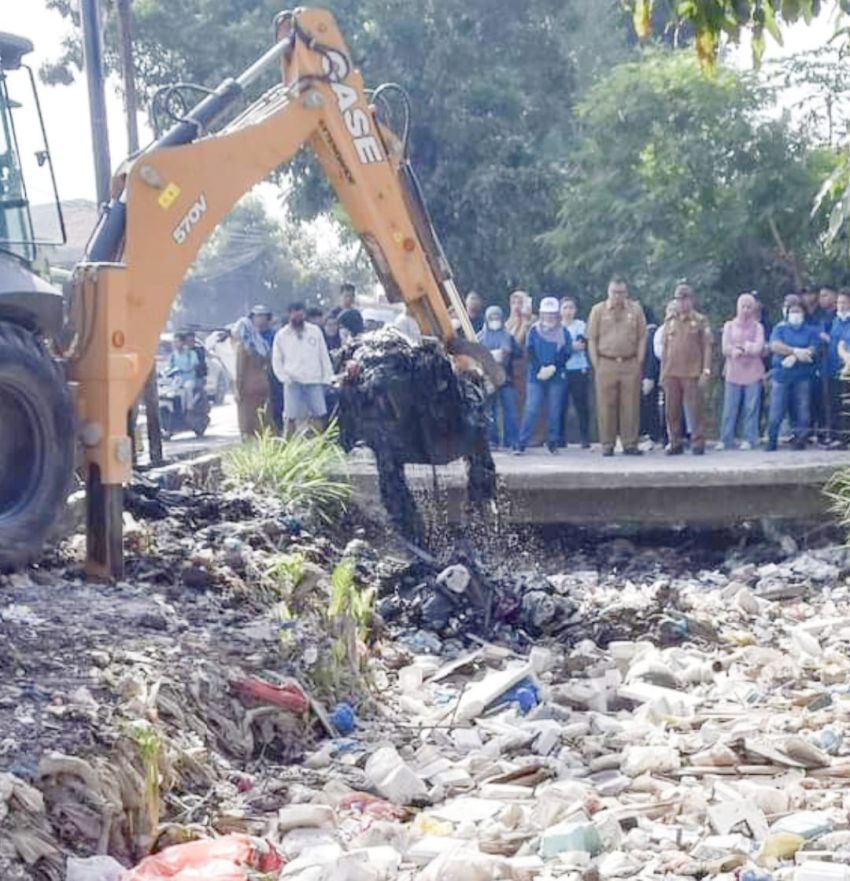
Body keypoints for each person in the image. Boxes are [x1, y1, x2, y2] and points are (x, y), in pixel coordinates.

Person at [586, 275, 647, 456]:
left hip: (630, 362)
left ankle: (630, 443)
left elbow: (642, 336)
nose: (618, 296)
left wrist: (639, 360)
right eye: (614, 292)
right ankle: (607, 444)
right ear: (608, 292)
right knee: (606, 406)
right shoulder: (598, 310)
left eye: (621, 292)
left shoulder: (635, 310)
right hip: (606, 362)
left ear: (626, 293)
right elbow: (592, 338)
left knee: (631, 405)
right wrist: (596, 363)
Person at [658, 283, 712, 456]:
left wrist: (706, 370)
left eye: (685, 299)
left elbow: (707, 347)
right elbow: (665, 348)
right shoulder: (670, 321)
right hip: (671, 372)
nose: (681, 303)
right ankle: (675, 441)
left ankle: (698, 441)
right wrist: (662, 372)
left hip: (692, 372)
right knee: (671, 410)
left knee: (695, 409)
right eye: (678, 299)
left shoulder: (700, 321)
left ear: (691, 300)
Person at [517, 297, 571, 454]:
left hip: (557, 375)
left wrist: (554, 366)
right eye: (546, 313)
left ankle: (553, 442)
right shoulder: (534, 330)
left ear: (557, 314)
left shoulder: (563, 332)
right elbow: (530, 350)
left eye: (552, 313)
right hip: (536, 375)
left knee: (554, 409)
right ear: (541, 314)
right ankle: (521, 442)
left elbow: (566, 352)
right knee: (532, 408)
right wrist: (540, 368)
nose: (549, 316)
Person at [272, 301, 335, 437]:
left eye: (300, 312)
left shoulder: (315, 331)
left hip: (314, 381)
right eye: (294, 312)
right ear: (289, 314)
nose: (298, 315)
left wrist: (327, 378)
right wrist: (284, 378)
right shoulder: (282, 335)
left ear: (304, 314)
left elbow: (323, 355)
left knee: (319, 414)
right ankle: (288, 446)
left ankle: (319, 443)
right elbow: (276, 360)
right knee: (290, 417)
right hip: (292, 382)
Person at [767, 301, 820, 451]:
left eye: (798, 312)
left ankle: (800, 440)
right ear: (787, 314)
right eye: (793, 312)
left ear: (804, 314)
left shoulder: (810, 331)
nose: (795, 315)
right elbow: (775, 346)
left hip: (803, 376)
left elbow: (813, 350)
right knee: (776, 410)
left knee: (802, 409)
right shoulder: (780, 329)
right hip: (781, 376)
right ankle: (772, 440)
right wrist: (795, 351)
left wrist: (793, 357)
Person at [717, 292, 765, 450]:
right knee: (729, 407)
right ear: (738, 307)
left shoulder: (758, 327)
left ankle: (750, 438)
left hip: (753, 372)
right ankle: (725, 439)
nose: (746, 310)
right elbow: (725, 347)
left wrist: (745, 347)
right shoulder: (729, 326)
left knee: (751, 408)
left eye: (749, 307)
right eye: (743, 306)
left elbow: (759, 347)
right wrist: (733, 351)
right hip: (733, 371)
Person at [478, 305, 521, 450]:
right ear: (486, 319)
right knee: (490, 411)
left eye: (497, 317)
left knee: (510, 411)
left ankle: (512, 441)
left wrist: (508, 351)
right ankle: (492, 440)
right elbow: (474, 356)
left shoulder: (508, 336)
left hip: (506, 379)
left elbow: (519, 353)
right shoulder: (480, 337)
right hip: (488, 380)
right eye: (492, 317)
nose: (495, 320)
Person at [232, 304, 274, 439]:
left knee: (247, 421)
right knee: (263, 417)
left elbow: (240, 372)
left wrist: (237, 390)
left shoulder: (243, 347)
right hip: (263, 384)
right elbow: (269, 364)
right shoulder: (262, 344)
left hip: (248, 387)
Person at [558, 296, 591, 448]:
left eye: (571, 307)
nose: (568, 311)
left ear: (575, 310)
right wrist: (570, 346)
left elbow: (581, 345)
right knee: (560, 404)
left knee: (581, 404)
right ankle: (559, 437)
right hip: (561, 369)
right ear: (560, 310)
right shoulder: (556, 327)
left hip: (579, 368)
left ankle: (585, 437)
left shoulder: (581, 326)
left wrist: (567, 346)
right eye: (565, 307)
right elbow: (557, 348)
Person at [827, 289, 850, 448]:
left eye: (844, 302)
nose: (840, 306)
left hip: (847, 369)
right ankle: (837, 437)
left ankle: (845, 438)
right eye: (839, 302)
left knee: (846, 405)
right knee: (835, 404)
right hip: (833, 369)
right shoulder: (835, 321)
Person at [640, 307, 663, 447]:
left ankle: (654, 436)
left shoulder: (651, 332)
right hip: (644, 375)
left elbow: (652, 358)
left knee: (651, 405)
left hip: (650, 375)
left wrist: (649, 376)